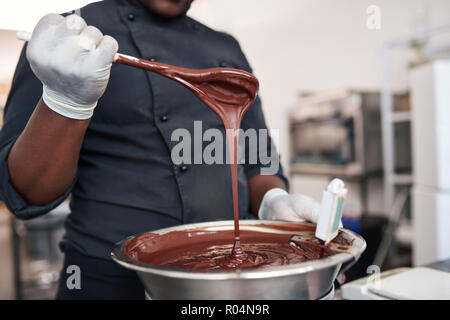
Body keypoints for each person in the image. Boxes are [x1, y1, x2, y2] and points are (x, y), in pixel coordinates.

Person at [0, 0, 323, 299]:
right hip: (107, 280)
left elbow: (257, 157)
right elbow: (26, 193)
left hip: (225, 275)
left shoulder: (225, 46)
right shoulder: (70, 37)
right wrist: (65, 102)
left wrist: (273, 200)